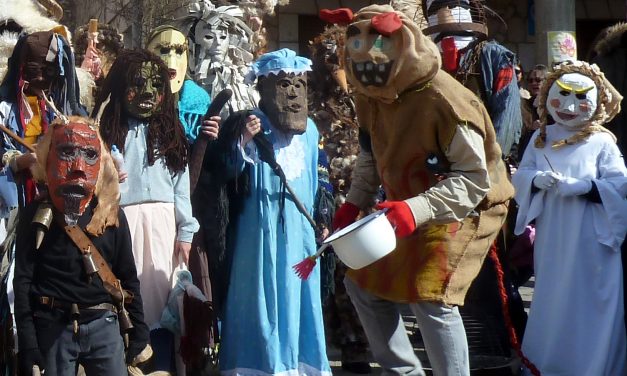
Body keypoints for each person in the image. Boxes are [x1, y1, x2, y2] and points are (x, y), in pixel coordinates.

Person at [330, 5, 513, 375]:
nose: (367, 61)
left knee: (431, 295)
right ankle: (404, 372)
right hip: (403, 205)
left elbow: (475, 179)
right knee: (363, 284)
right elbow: (370, 154)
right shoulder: (371, 95)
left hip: (467, 206)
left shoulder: (444, 99)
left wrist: (416, 209)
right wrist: (354, 204)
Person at [216, 48, 331, 375]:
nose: (294, 93)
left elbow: (315, 180)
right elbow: (226, 175)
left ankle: (299, 366)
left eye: (300, 85)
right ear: (264, 89)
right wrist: (241, 141)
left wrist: (320, 220)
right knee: (261, 300)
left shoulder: (309, 131)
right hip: (259, 236)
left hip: (301, 236)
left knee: (300, 302)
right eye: (283, 85)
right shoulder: (249, 124)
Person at [512, 60, 626, 376]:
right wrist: (535, 180)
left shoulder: (602, 141)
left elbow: (621, 183)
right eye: (562, 96)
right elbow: (521, 175)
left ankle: (594, 365)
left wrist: (586, 187)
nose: (570, 106)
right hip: (555, 238)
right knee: (555, 298)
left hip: (593, 238)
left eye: (580, 98)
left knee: (594, 300)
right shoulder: (541, 138)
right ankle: (551, 363)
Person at [13, 115, 149, 375]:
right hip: (53, 327)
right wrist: (29, 345)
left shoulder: (111, 215)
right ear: (47, 159)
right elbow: (23, 283)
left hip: (104, 326)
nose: (77, 167)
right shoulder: (34, 217)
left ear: (101, 163)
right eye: (66, 152)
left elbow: (128, 276)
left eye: (89, 154)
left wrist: (139, 329)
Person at [92, 49, 199, 374]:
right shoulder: (106, 133)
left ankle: (160, 365)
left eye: (156, 85)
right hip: (121, 226)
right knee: (126, 299)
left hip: (163, 228)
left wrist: (185, 231)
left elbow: (182, 188)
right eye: (137, 84)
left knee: (163, 304)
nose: (148, 94)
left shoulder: (170, 133)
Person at [308, 23, 371, 374]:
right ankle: (345, 343)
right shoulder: (309, 102)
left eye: (341, 61)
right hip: (325, 201)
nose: (336, 71)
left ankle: (362, 344)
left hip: (361, 200)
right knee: (332, 278)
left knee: (359, 274)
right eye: (329, 62)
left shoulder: (367, 99)